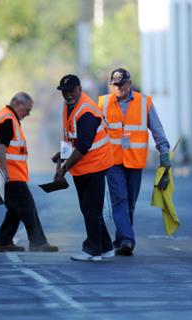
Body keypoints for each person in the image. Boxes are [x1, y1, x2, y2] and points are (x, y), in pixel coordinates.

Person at [98, 68, 171, 256]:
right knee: (119, 198)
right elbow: (94, 131)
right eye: (115, 85)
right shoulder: (102, 103)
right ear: (110, 85)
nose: (119, 88)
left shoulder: (143, 102)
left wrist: (164, 154)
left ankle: (121, 238)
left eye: (122, 84)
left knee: (129, 202)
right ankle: (128, 240)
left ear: (129, 83)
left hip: (135, 161)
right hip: (112, 160)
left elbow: (157, 128)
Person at [0, 92, 58, 253]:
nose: (28, 114)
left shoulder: (5, 116)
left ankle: (4, 242)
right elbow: (1, 146)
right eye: (27, 109)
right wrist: (4, 170)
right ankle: (38, 242)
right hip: (10, 175)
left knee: (15, 210)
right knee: (27, 207)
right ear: (17, 104)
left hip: (10, 174)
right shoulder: (8, 119)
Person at [53, 74, 114, 262]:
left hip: (95, 163)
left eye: (71, 90)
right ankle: (106, 247)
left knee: (91, 209)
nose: (68, 94)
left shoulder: (86, 111)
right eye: (64, 92)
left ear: (79, 88)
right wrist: (61, 157)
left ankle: (93, 250)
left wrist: (64, 169)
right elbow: (70, 136)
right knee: (89, 208)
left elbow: (83, 146)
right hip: (83, 166)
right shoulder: (69, 106)